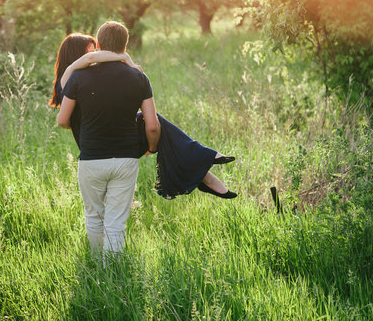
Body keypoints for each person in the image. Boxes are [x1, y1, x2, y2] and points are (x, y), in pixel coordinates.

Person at [50, 32, 237, 201]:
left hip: (108, 143)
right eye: (93, 54)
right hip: (100, 145)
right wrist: (125, 58)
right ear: (77, 56)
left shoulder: (83, 79)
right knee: (154, 123)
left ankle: (204, 170)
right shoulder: (69, 77)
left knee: (153, 121)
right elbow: (64, 120)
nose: (98, 58)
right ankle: (205, 168)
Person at [57, 22, 161, 254]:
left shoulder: (79, 77)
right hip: (126, 159)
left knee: (94, 216)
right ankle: (113, 271)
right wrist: (151, 149)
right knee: (116, 223)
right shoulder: (139, 78)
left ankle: (97, 268)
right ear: (125, 46)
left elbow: (62, 121)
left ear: (99, 45)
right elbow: (153, 126)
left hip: (92, 159)